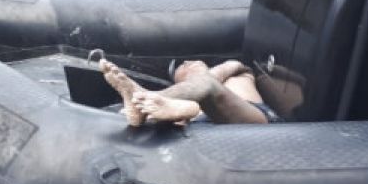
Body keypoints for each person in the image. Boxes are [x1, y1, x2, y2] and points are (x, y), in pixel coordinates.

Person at [101, 58, 274, 126]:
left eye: (188, 63)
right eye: (182, 68)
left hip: (256, 120)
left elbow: (235, 66)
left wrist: (202, 75)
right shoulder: (199, 85)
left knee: (206, 87)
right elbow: (199, 85)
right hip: (204, 120)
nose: (186, 62)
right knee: (193, 109)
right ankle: (183, 112)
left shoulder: (235, 73)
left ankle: (139, 98)